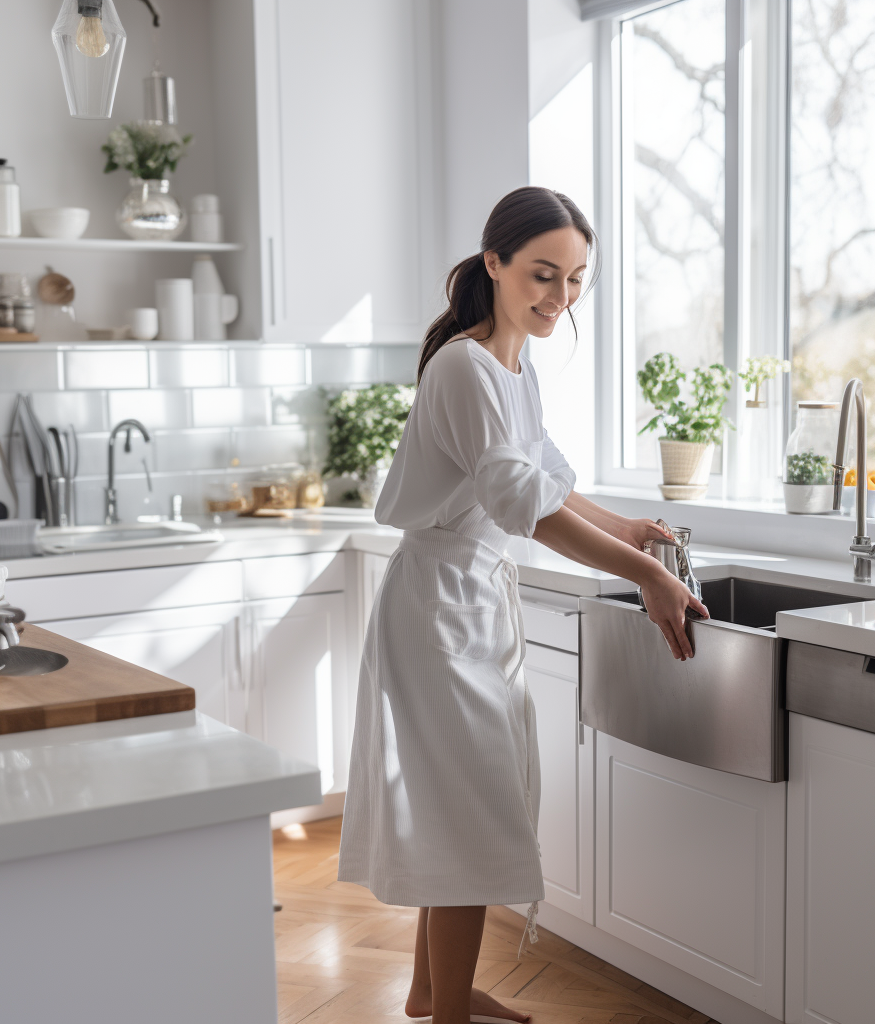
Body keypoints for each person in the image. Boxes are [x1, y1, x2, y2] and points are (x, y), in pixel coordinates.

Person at [338, 186, 709, 1024]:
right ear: (495, 262)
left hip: (470, 603)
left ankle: (433, 991)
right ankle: (450, 1017)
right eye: (544, 275)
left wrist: (632, 532)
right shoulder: (465, 368)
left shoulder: (514, 367)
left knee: (459, 804)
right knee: (470, 814)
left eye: (577, 280)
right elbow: (526, 512)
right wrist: (647, 577)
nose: (560, 298)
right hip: (436, 611)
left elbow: (544, 480)